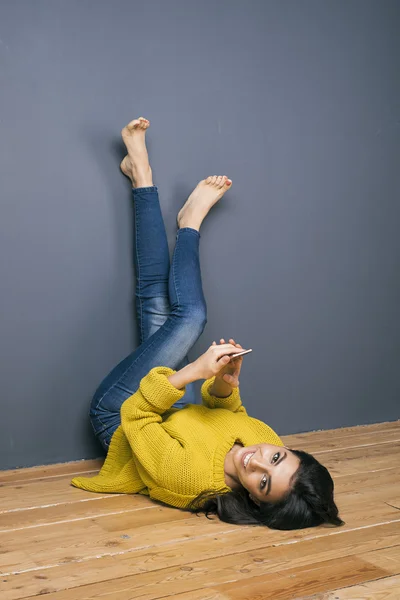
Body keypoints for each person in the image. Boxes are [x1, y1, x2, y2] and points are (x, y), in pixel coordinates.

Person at [71, 118, 344, 530]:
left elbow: (137, 416)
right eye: (277, 457)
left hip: (125, 421)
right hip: (175, 413)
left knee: (190, 316)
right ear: (291, 452)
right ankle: (140, 174)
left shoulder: (191, 482)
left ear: (255, 501)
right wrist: (224, 385)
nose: (257, 461)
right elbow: (223, 413)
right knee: (155, 298)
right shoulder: (262, 438)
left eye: (264, 482)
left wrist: (197, 371)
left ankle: (189, 222)